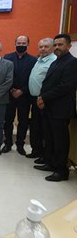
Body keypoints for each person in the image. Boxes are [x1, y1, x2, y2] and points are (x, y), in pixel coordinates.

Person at [35, 34, 77, 182]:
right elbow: (47, 83)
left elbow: (65, 86)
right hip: (50, 107)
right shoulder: (56, 62)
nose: (57, 47)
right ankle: (51, 163)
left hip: (61, 109)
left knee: (60, 141)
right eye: (56, 45)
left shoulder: (72, 63)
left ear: (69, 46)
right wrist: (42, 97)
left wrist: (43, 97)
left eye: (61, 45)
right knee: (50, 137)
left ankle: (61, 170)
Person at [2, 36, 37, 155]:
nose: (21, 44)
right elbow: (4, 76)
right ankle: (7, 143)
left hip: (25, 96)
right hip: (9, 95)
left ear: (28, 44)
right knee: (8, 121)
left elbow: (33, 79)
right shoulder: (7, 57)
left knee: (23, 121)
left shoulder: (33, 60)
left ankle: (20, 144)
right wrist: (11, 89)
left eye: (23, 43)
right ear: (15, 43)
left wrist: (22, 90)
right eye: (19, 42)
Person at [27, 38, 57, 161]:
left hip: (45, 100)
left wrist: (43, 97)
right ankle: (37, 151)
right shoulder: (38, 60)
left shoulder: (54, 61)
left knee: (46, 130)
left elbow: (53, 83)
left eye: (46, 46)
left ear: (52, 48)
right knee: (36, 127)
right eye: (40, 47)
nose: (43, 49)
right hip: (35, 99)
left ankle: (46, 155)